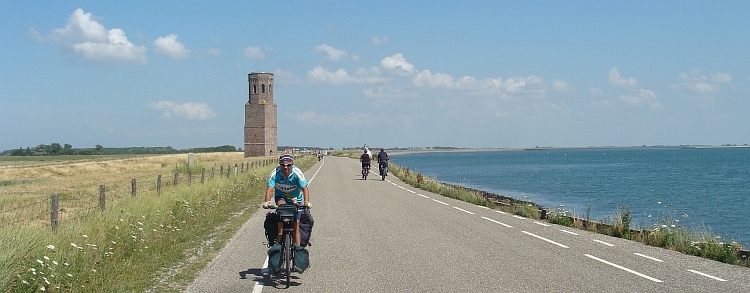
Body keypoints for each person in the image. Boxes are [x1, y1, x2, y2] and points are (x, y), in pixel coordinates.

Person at [263, 154, 311, 245]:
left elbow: (305, 189)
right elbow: (269, 189)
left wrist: (306, 202)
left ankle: (298, 249)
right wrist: (267, 202)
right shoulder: (275, 173)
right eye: (283, 165)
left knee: (296, 225)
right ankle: (280, 235)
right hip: (281, 197)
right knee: (281, 207)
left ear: (292, 164)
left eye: (288, 165)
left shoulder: (297, 173)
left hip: (295, 199)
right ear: (280, 164)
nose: (286, 167)